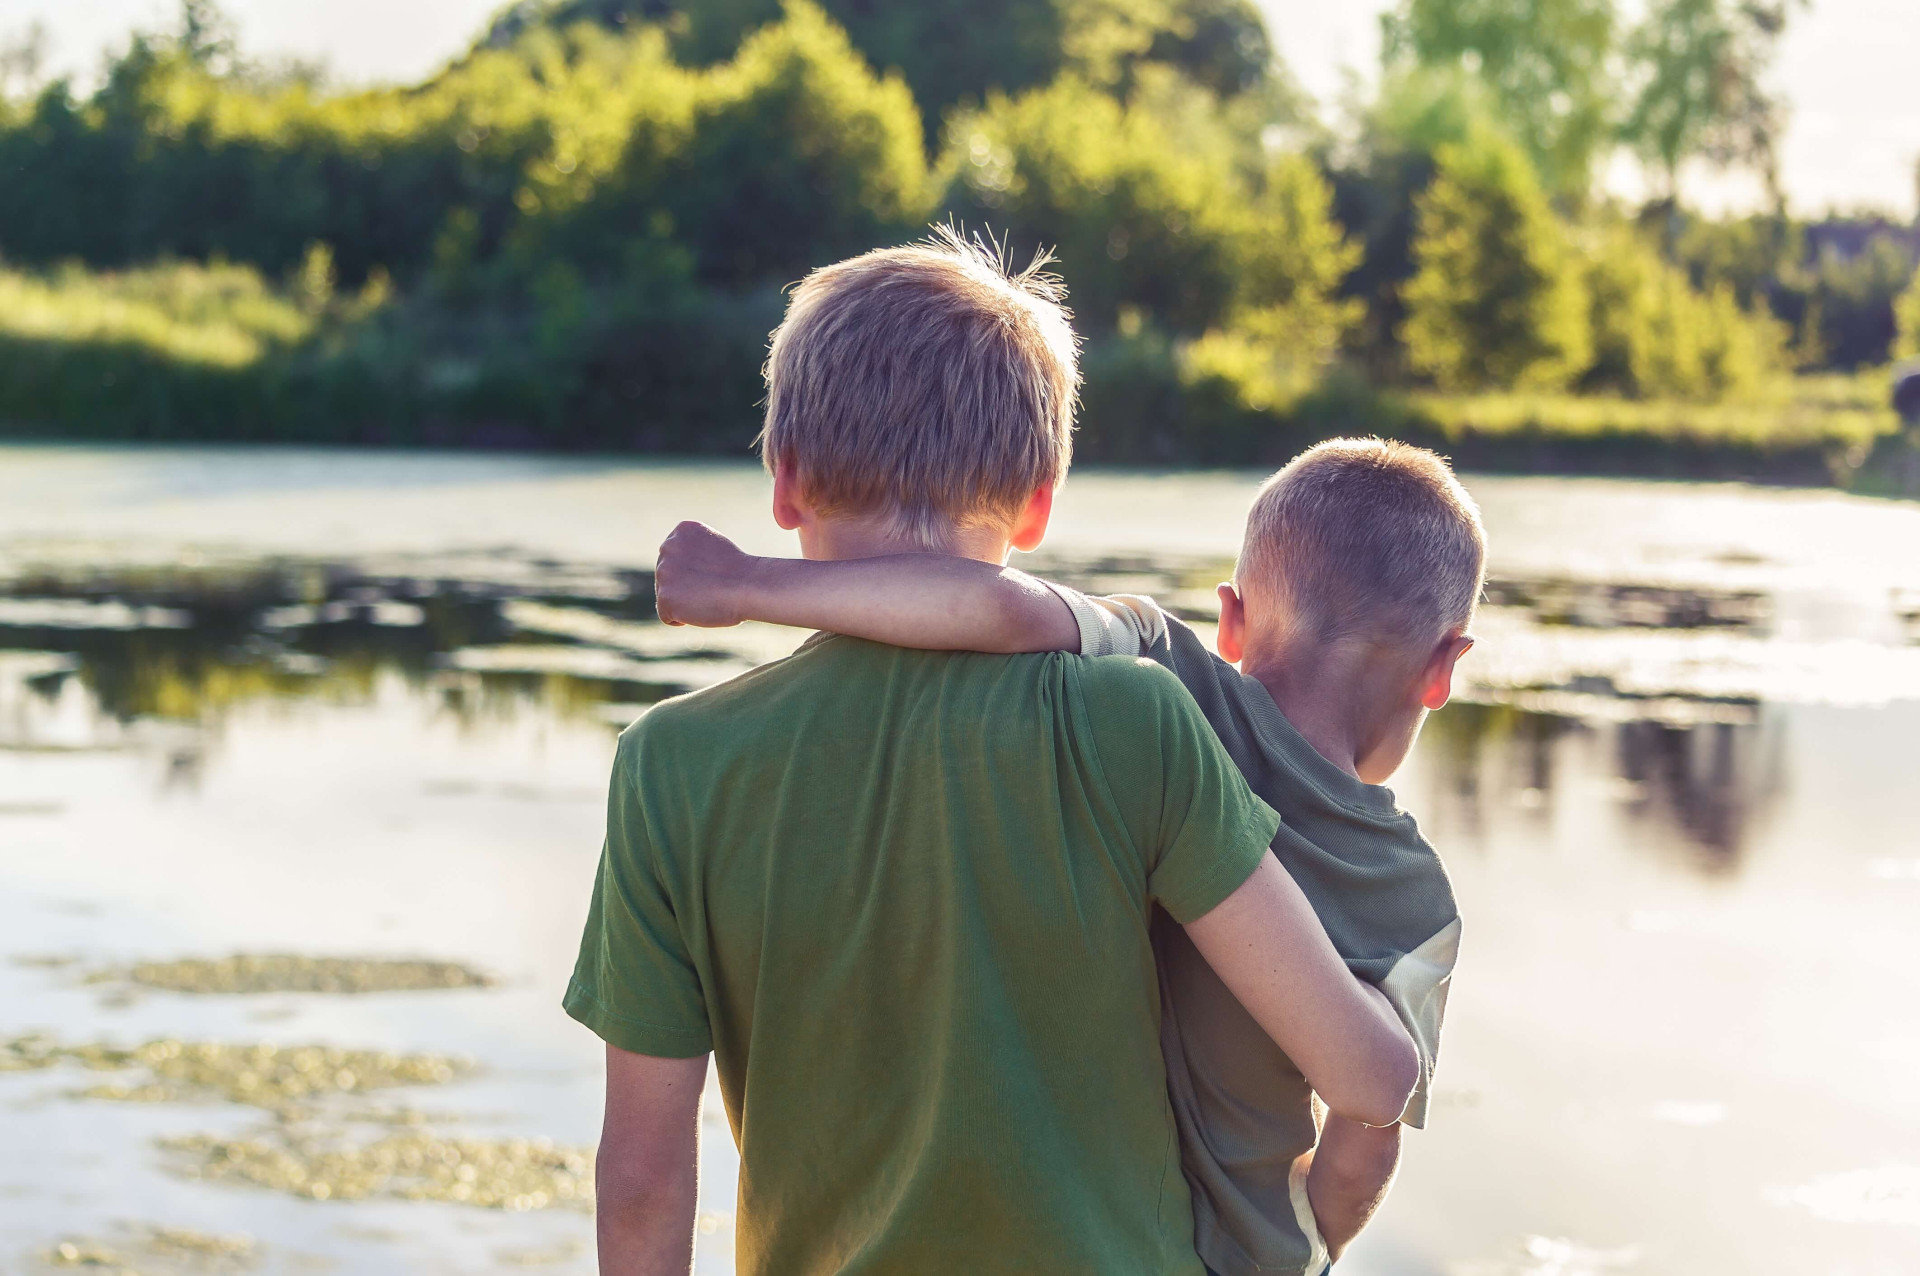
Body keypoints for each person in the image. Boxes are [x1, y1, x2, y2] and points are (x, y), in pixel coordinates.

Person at [566, 232, 1419, 1276]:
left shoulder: (670, 766)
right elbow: (1367, 1078)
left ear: (784, 483)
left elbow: (645, 1180)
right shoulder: (1135, 724)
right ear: (1038, 501)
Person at [653, 437, 1480, 1275]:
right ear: (1444, 667)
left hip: (1072, 1209)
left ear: (1232, 619)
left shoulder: (1170, 674)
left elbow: (1000, 608)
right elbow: (1364, 1142)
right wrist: (1311, 1242)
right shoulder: (1416, 900)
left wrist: (749, 585)